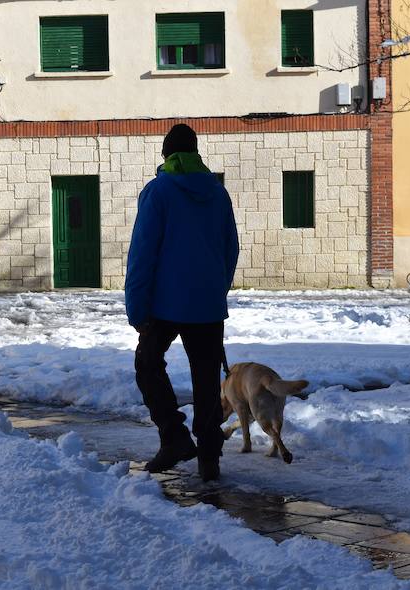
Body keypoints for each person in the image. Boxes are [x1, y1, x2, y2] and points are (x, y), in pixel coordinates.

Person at [125, 124, 240, 482]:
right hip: (207, 306)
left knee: (147, 362)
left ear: (166, 155)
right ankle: (209, 458)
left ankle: (174, 436)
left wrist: (136, 308)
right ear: (196, 154)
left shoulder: (158, 192)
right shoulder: (218, 194)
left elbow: (143, 253)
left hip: (165, 304)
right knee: (206, 382)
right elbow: (230, 250)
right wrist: (216, 290)